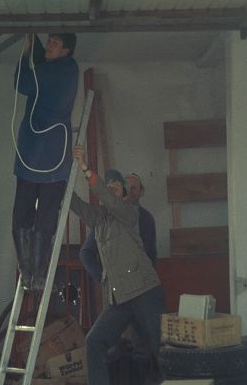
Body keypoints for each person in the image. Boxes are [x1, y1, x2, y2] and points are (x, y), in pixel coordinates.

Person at [70, 145, 164, 385]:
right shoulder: (100, 220)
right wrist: (61, 179)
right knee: (94, 341)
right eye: (108, 185)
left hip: (144, 291)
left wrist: (85, 168)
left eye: (115, 187)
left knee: (157, 349)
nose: (111, 189)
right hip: (119, 298)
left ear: (124, 194)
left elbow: (109, 200)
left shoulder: (129, 212)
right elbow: (78, 206)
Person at [12, 32, 78, 290]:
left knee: (24, 212)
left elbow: (22, 83)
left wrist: (26, 52)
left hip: (35, 152)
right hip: (52, 156)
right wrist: (35, 40)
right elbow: (45, 61)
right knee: (44, 215)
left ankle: (28, 272)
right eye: (48, 41)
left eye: (55, 43)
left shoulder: (51, 71)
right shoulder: (67, 69)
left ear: (66, 50)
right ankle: (36, 274)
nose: (49, 45)